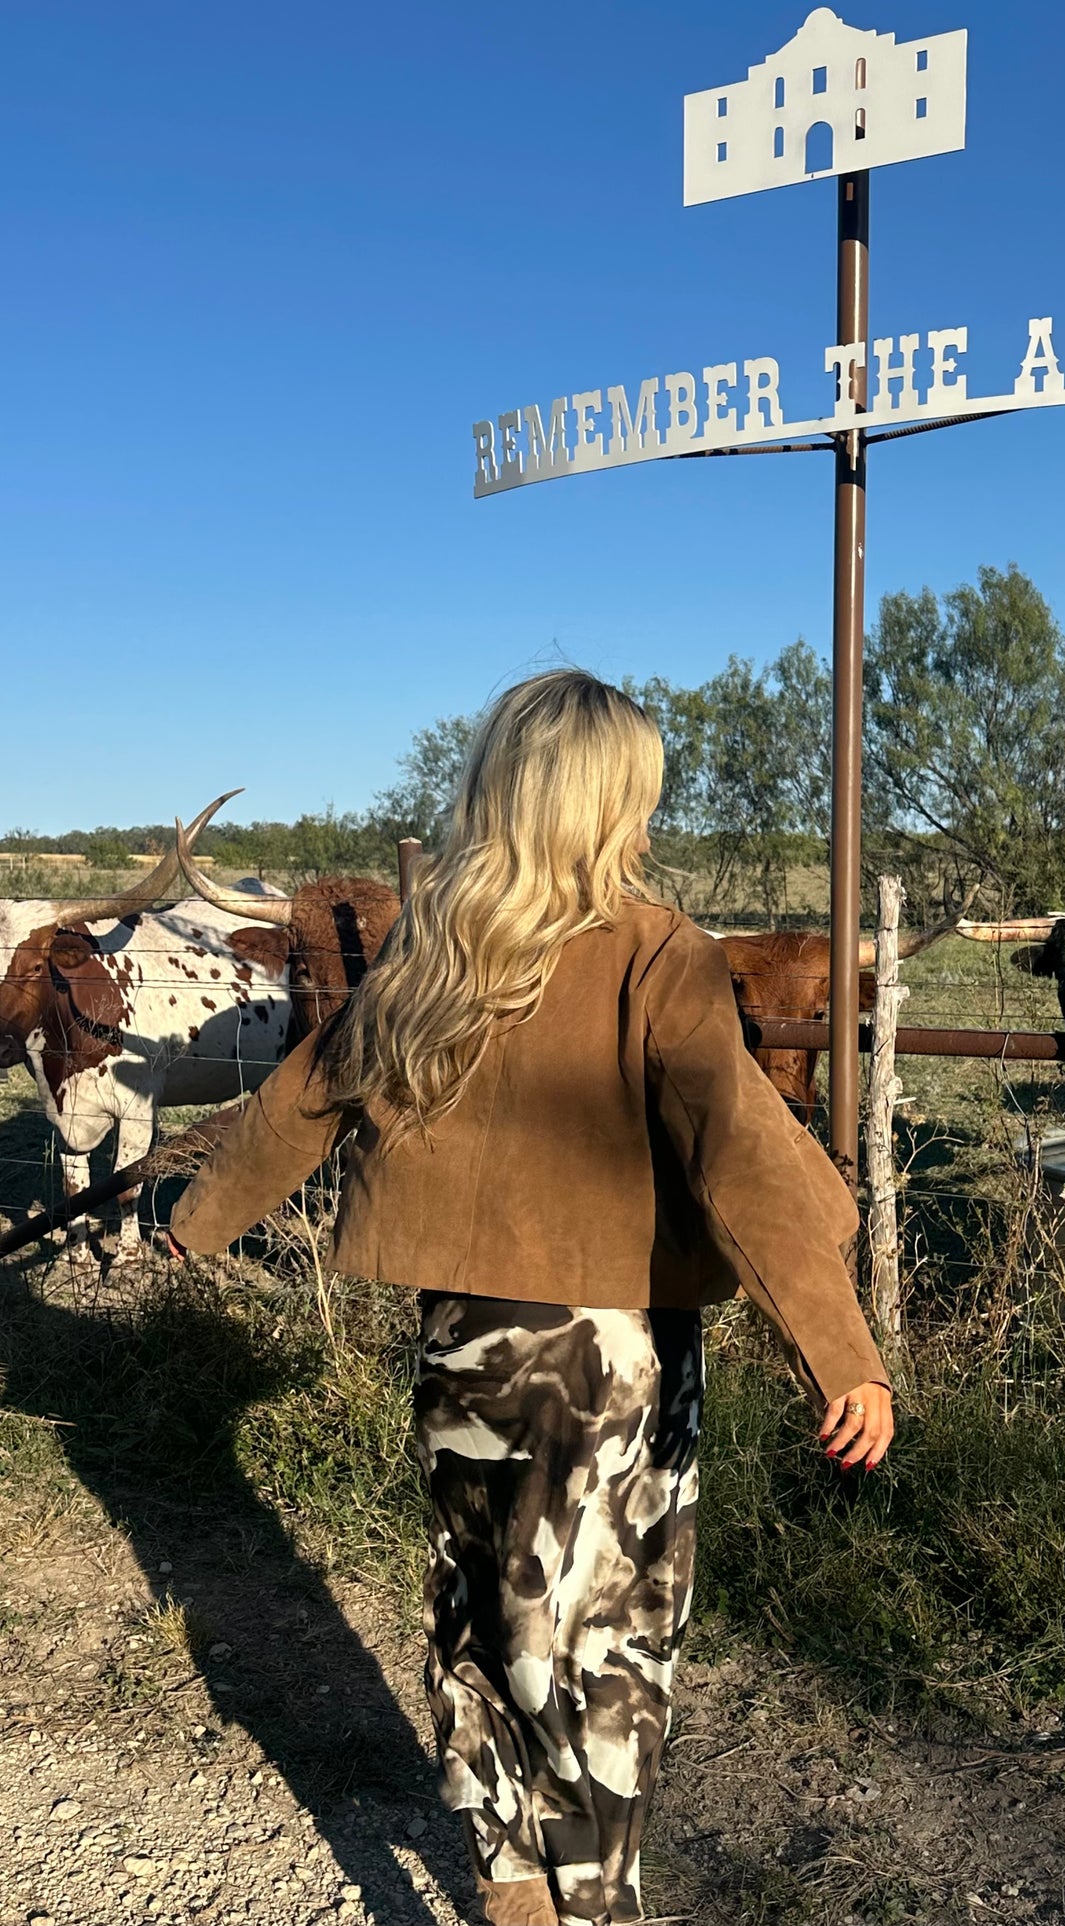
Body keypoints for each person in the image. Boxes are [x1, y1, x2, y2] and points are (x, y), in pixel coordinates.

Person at [166, 669, 893, 1926]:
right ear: (620, 807)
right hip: (610, 1356)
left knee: (484, 1594)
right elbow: (743, 1157)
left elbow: (304, 1095)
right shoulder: (661, 957)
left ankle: (508, 1867)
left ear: (495, 792)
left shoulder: (435, 950)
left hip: (461, 1339)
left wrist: (199, 1218)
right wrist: (842, 1352)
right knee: (609, 1627)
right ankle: (594, 1891)